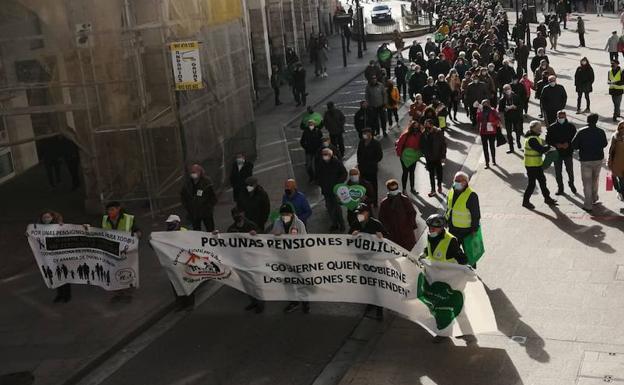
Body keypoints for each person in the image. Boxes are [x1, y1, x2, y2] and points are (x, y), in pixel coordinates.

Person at [349, 203, 386, 320]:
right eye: (357, 214)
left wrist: (382, 237)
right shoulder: (355, 224)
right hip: (362, 260)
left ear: (367, 212)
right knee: (367, 283)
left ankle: (379, 308)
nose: (359, 215)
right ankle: (371, 302)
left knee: (377, 284)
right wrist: (352, 236)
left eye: (361, 213)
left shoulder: (376, 224)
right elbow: (347, 240)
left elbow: (388, 242)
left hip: (375, 261)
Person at [223, 207, 262, 312]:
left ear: (243, 214)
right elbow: (226, 242)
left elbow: (261, 237)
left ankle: (260, 303)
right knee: (245, 283)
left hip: (251, 259)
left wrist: (256, 233)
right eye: (234, 215)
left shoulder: (251, 225)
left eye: (238, 214)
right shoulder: (231, 229)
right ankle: (253, 302)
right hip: (239, 260)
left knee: (253, 282)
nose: (237, 216)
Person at [101, 201, 141, 302]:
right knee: (114, 272)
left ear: (118, 209)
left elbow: (137, 230)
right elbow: (97, 231)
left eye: (112, 209)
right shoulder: (105, 220)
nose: (110, 212)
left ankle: (128, 294)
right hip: (112, 251)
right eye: (108, 210)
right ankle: (118, 293)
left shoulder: (128, 219)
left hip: (126, 251)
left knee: (127, 272)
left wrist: (138, 234)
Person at [571, 113, 608, 212]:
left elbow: (574, 145)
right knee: (595, 179)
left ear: (587, 120)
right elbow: (605, 144)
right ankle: (594, 197)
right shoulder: (601, 131)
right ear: (596, 121)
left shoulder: (581, 131)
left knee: (587, 182)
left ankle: (588, 205)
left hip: (586, 159)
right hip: (598, 159)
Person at [522, 121, 558, 209]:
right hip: (531, 165)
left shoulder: (534, 137)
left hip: (536, 164)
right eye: (538, 128)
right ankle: (525, 202)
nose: (540, 129)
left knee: (542, 181)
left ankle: (547, 198)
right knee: (532, 184)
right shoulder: (532, 139)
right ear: (533, 128)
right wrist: (549, 148)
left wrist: (547, 147)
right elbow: (540, 149)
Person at [39, 210, 71, 303]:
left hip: (61, 255)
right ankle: (60, 294)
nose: (46, 219)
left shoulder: (59, 226)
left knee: (64, 275)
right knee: (55, 276)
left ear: (53, 218)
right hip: (50, 257)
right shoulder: (39, 228)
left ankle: (67, 295)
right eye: (44, 217)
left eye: (48, 217)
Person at [378, 178, 417, 252]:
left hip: (405, 232)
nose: (394, 191)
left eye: (396, 188)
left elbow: (412, 213)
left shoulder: (404, 200)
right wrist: (387, 229)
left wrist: (410, 226)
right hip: (392, 233)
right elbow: (382, 218)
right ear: (389, 190)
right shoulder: (384, 203)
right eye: (392, 189)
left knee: (409, 251)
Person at [446, 172, 481, 248]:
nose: (456, 183)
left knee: (468, 252)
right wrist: (446, 220)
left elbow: (475, 214)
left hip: (466, 231)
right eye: (455, 180)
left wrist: (474, 230)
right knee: (453, 250)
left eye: (459, 181)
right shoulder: (451, 191)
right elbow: (448, 208)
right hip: (453, 228)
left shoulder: (471, 195)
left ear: (465, 182)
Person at [546, 111, 578, 196]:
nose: (561, 119)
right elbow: (548, 140)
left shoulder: (571, 126)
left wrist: (568, 144)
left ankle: (571, 184)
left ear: (566, 116)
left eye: (563, 117)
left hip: (568, 152)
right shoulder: (552, 127)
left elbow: (575, 138)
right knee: (558, 171)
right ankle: (560, 188)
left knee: (570, 171)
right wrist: (556, 144)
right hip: (557, 153)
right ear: (557, 117)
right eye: (560, 117)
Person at [317, 148, 347, 231]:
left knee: (337, 208)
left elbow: (344, 173)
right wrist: (320, 183)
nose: (324, 156)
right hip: (326, 190)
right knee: (330, 208)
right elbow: (318, 174)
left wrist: (338, 183)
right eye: (323, 154)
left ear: (330, 155)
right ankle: (334, 223)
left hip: (334, 190)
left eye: (326, 154)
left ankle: (341, 224)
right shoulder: (321, 163)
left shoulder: (336, 163)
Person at [181, 164, 217, 231]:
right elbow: (183, 196)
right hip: (194, 212)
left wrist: (209, 207)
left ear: (200, 172)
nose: (193, 174)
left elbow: (213, 197)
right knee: (196, 231)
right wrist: (187, 207)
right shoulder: (187, 184)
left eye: (195, 172)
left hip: (206, 212)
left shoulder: (207, 182)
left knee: (210, 230)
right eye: (192, 172)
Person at [356, 128, 383, 204]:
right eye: (363, 133)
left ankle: (374, 201)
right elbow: (359, 153)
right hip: (363, 168)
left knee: (373, 185)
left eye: (366, 133)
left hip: (372, 169)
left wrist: (372, 162)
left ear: (370, 134)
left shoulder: (376, 143)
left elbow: (379, 156)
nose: (364, 135)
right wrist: (359, 163)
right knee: (364, 185)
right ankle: (366, 200)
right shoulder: (361, 142)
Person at [396, 120, 423, 194]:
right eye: (414, 126)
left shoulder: (420, 134)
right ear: (411, 126)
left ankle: (412, 188)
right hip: (405, 156)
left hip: (414, 156)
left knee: (412, 172)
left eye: (417, 126)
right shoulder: (406, 134)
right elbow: (400, 144)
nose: (416, 127)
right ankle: (404, 189)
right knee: (405, 172)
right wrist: (400, 154)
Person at [421, 119, 446, 196]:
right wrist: (424, 152)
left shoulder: (438, 132)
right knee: (431, 174)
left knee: (439, 173)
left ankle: (439, 185)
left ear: (432, 125)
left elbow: (443, 145)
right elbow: (422, 143)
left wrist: (443, 156)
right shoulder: (424, 133)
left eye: (428, 125)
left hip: (437, 156)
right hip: (429, 157)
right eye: (425, 124)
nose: (426, 126)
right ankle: (433, 189)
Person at [499, 83, 523, 153]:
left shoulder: (516, 96)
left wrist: (515, 107)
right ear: (504, 91)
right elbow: (500, 110)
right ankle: (511, 148)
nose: (507, 90)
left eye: (508, 89)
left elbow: (521, 105)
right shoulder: (502, 100)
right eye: (506, 90)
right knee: (509, 134)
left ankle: (518, 142)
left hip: (516, 117)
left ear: (511, 89)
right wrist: (505, 109)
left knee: (517, 131)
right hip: (508, 118)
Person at [477, 99, 500, 169]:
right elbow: (478, 120)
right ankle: (487, 162)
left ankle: (493, 160)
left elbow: (498, 119)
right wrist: (479, 112)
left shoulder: (493, 110)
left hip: (491, 131)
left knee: (492, 146)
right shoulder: (480, 111)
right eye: (483, 103)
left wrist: (493, 123)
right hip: (483, 132)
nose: (485, 105)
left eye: (486, 103)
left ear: (489, 104)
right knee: (485, 148)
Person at [608, 122, 624, 203]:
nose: (623, 129)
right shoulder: (615, 136)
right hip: (616, 162)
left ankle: (621, 193)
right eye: (621, 127)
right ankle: (619, 191)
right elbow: (611, 150)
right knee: (614, 177)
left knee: (622, 180)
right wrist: (609, 161)